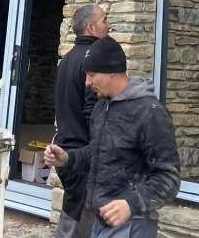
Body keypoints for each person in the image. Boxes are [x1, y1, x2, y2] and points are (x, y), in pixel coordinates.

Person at [45, 36, 181, 238]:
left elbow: (169, 177)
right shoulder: (102, 106)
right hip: (99, 221)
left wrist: (131, 204)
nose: (87, 82)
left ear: (112, 72)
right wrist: (67, 158)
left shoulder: (150, 112)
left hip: (133, 224)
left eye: (92, 75)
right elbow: (98, 152)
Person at [53, 5, 112, 238]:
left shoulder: (67, 60)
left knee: (75, 220)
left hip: (68, 150)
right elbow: (92, 113)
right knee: (77, 227)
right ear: (91, 27)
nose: (109, 25)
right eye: (104, 20)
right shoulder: (92, 61)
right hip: (82, 156)